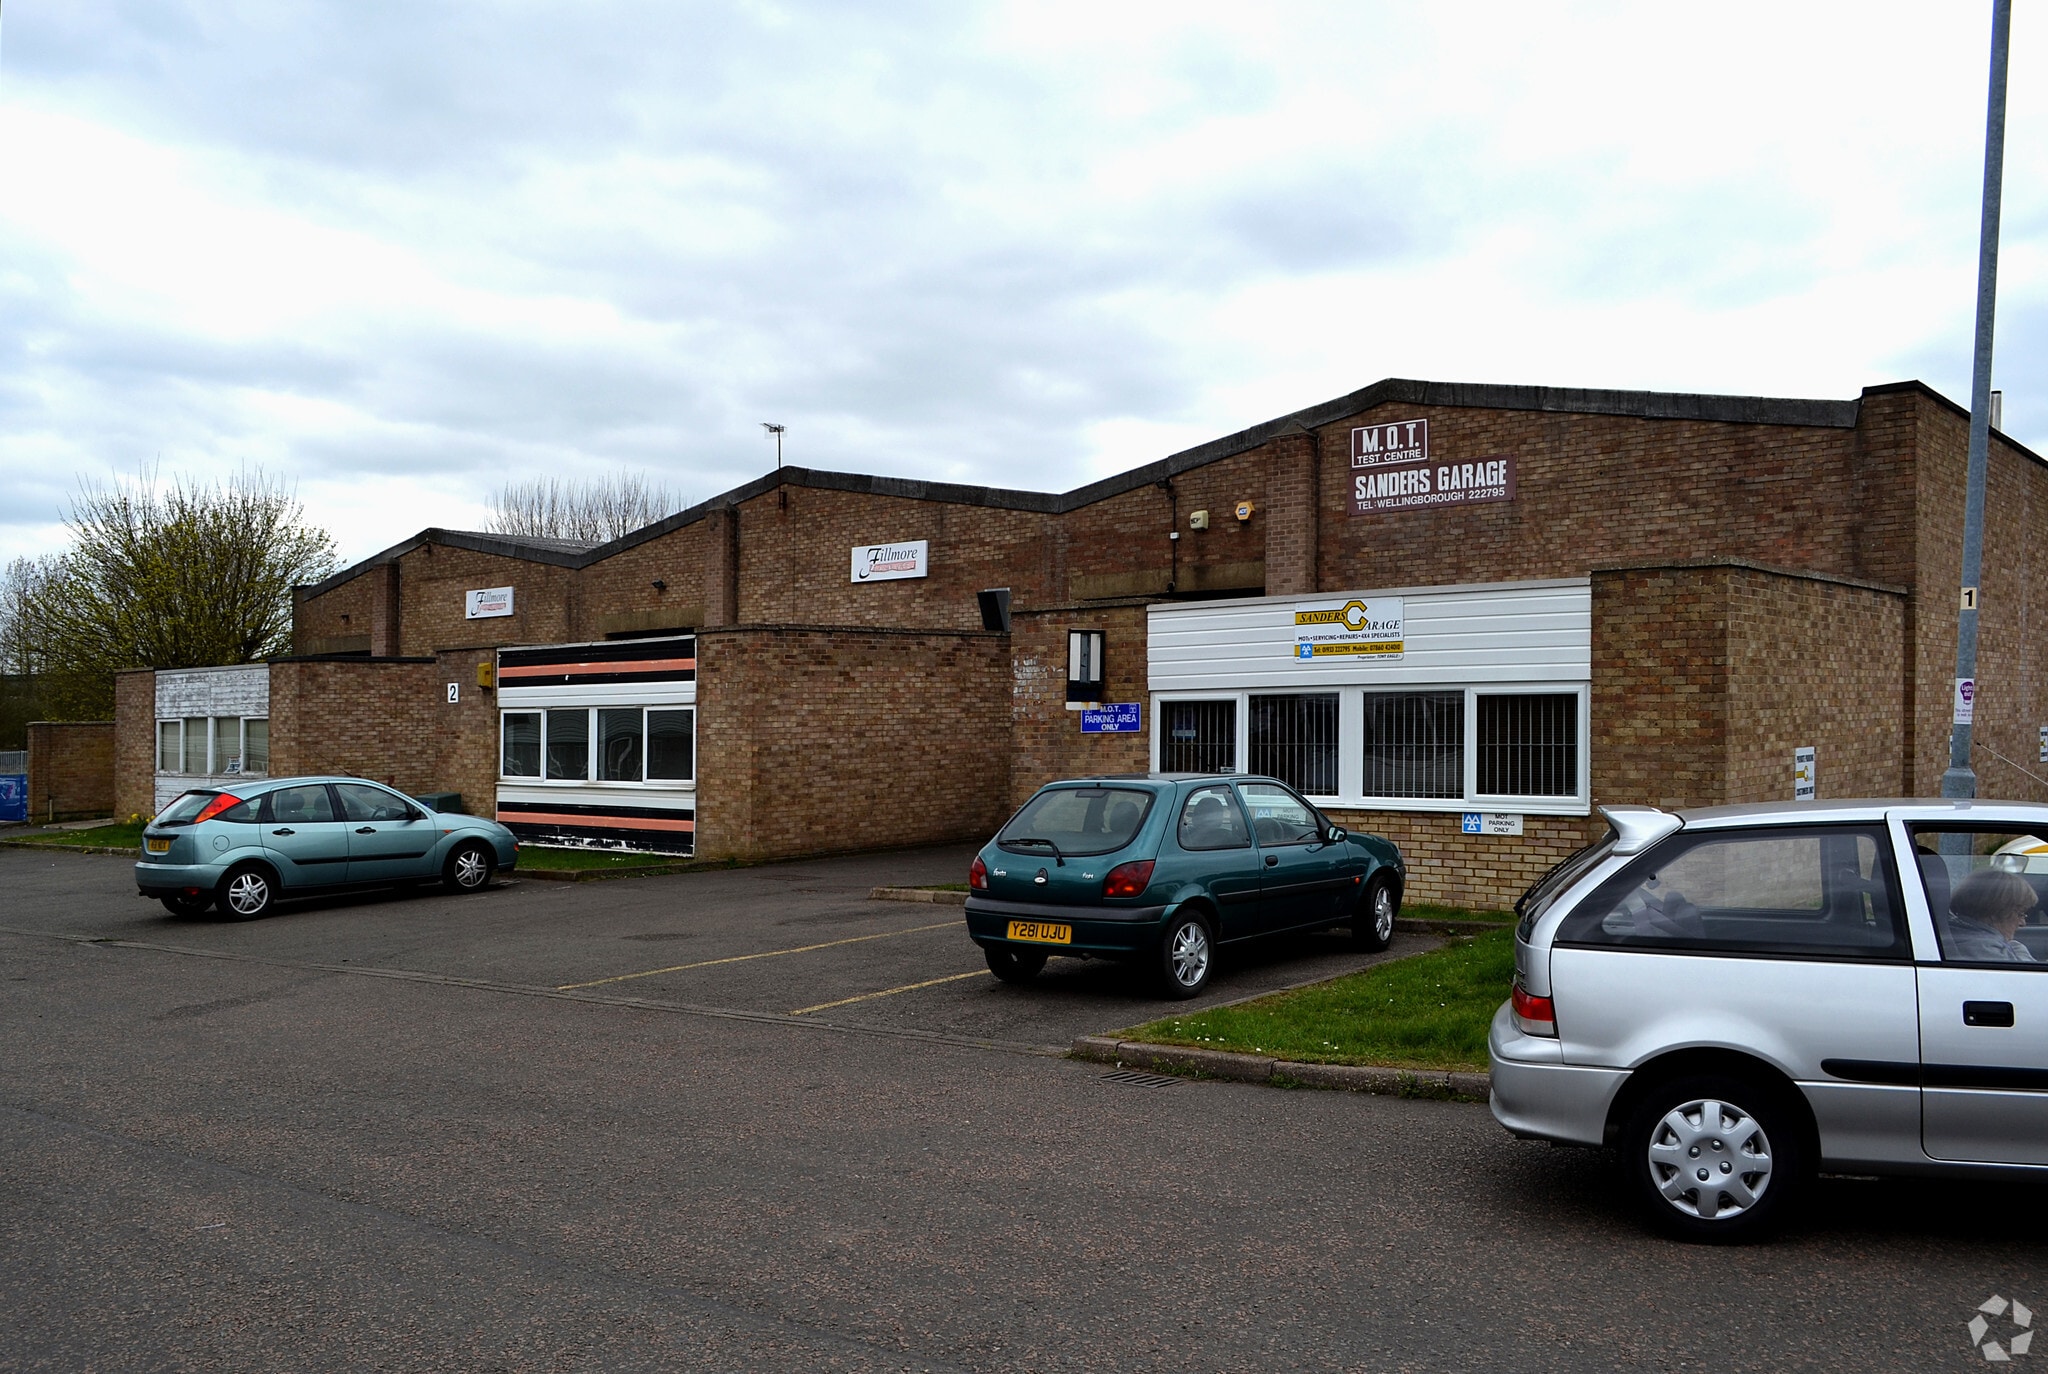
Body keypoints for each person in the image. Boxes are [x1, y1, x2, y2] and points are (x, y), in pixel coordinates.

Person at [1944, 868, 2039, 963]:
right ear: (1996, 912)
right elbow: (2024, 975)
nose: (2023, 923)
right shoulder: (1982, 947)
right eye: (2020, 914)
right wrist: (2018, 948)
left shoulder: (1965, 934)